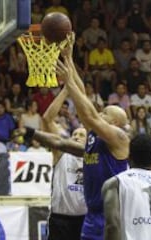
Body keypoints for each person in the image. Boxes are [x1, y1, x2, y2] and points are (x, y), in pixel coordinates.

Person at [57, 35, 129, 240]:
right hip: (92, 213)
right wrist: (69, 58)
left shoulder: (118, 136)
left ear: (114, 123)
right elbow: (82, 95)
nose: (100, 114)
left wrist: (68, 80)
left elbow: (87, 113)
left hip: (112, 215)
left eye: (105, 113)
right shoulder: (95, 131)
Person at [31, 86, 88, 240]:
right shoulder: (62, 152)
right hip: (60, 219)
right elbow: (47, 119)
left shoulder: (93, 156)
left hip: (85, 219)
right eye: (74, 134)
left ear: (89, 141)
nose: (76, 136)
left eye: (81, 135)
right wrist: (67, 89)